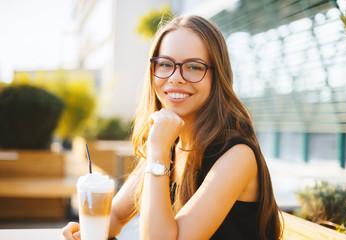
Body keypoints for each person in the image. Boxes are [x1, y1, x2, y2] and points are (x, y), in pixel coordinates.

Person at [61, 15, 283, 240]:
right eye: (166, 64)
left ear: (217, 77)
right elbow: (116, 216)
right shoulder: (171, 144)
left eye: (194, 67)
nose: (176, 77)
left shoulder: (236, 156)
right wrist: (86, 231)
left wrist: (157, 152)